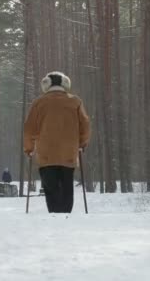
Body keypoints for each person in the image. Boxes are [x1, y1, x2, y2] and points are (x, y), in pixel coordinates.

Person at [23, 71, 91, 213]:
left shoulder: (38, 103)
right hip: (69, 154)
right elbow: (85, 125)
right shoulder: (75, 101)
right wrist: (82, 144)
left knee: (51, 189)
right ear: (65, 83)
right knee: (67, 187)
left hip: (46, 155)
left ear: (46, 84)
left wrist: (29, 149)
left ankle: (54, 216)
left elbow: (29, 129)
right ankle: (66, 216)